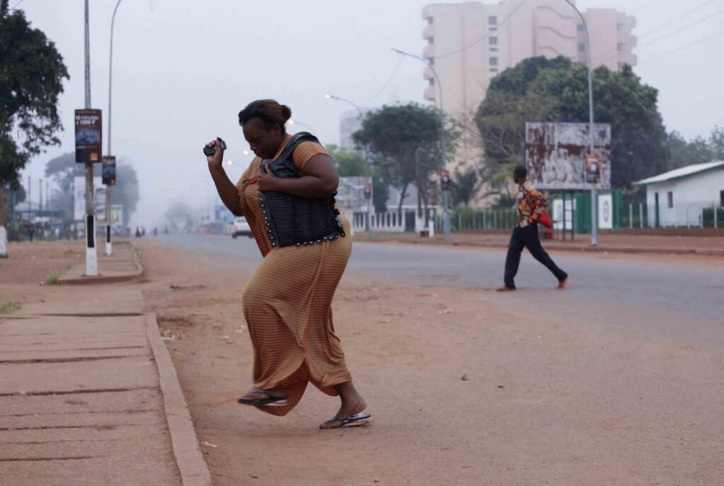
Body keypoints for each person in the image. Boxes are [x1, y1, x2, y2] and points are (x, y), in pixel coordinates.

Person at [204, 99, 371, 429]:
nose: (253, 146)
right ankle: (352, 403)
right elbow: (239, 206)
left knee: (258, 298)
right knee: (312, 325)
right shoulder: (259, 163)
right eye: (248, 141)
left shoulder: (302, 147)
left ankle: (277, 385)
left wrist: (278, 184)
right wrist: (216, 169)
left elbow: (328, 181)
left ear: (277, 130)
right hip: (299, 246)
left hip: (323, 241)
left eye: (258, 139)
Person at [497, 165, 570, 292]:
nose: (513, 177)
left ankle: (562, 277)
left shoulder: (528, 188)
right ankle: (509, 283)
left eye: (514, 174)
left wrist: (533, 218)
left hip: (528, 228)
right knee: (512, 253)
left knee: (539, 254)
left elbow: (542, 201)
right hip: (520, 226)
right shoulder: (521, 188)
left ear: (517, 175)